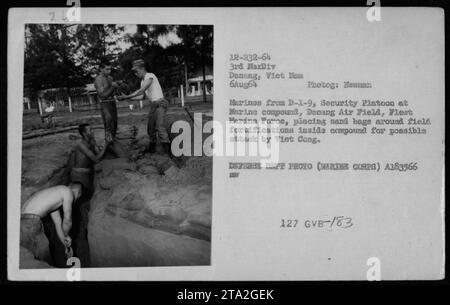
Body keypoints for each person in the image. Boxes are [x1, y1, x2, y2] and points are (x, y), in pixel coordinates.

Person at [117, 59, 171, 155]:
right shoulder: (143, 81)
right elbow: (141, 96)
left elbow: (141, 91)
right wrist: (126, 98)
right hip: (154, 106)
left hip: (160, 105)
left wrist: (127, 96)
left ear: (142, 68)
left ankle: (169, 153)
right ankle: (152, 148)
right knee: (150, 129)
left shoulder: (150, 76)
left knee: (160, 128)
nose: (135, 73)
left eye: (136, 71)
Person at [20, 184, 82, 266]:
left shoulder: (53, 196)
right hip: (31, 223)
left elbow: (58, 224)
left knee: (28, 260)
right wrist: (67, 235)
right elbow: (67, 220)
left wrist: (66, 245)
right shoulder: (68, 191)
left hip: (21, 223)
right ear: (78, 193)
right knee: (44, 261)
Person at [71, 123, 111, 195]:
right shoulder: (81, 145)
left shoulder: (91, 142)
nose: (92, 131)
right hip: (79, 175)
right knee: (81, 196)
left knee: (89, 194)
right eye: (90, 130)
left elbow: (99, 154)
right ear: (84, 133)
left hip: (87, 173)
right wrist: (106, 145)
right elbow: (96, 159)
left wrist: (95, 143)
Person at [94, 60, 119, 141]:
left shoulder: (110, 78)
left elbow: (113, 92)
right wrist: (112, 87)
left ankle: (114, 142)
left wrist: (119, 85)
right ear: (101, 69)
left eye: (110, 69)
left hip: (112, 102)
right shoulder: (98, 80)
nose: (109, 71)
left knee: (114, 124)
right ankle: (108, 144)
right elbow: (102, 95)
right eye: (107, 69)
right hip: (105, 104)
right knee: (108, 123)